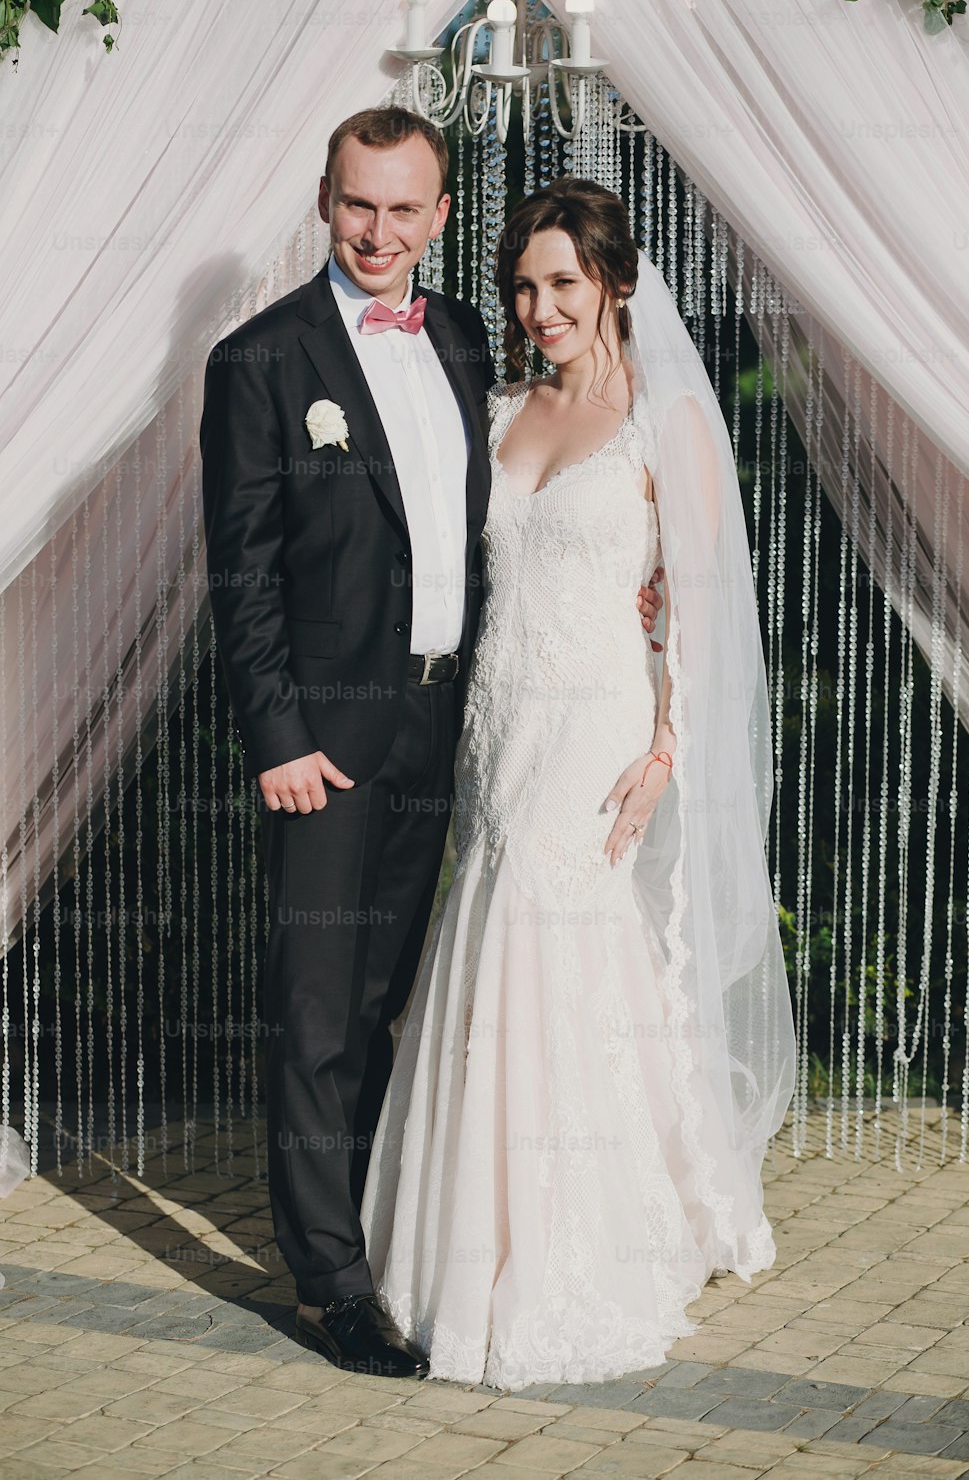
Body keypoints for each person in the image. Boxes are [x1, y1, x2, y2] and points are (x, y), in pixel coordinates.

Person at [200, 113, 663, 1377]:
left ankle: (373, 1235)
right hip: (325, 744)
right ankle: (330, 1285)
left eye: (406, 211)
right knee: (313, 1010)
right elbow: (238, 578)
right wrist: (277, 737)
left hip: (454, 730)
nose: (378, 232)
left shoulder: (467, 338)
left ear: (441, 215)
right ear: (324, 199)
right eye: (359, 205)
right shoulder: (258, 360)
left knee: (389, 1000)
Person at [360, 178, 798, 1389]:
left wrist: (669, 750)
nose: (538, 306)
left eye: (560, 282)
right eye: (521, 285)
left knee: (553, 931)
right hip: (499, 722)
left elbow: (702, 609)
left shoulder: (669, 422)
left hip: (600, 724)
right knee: (491, 921)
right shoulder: (497, 407)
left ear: (614, 280)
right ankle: (465, 1230)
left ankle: (572, 1238)